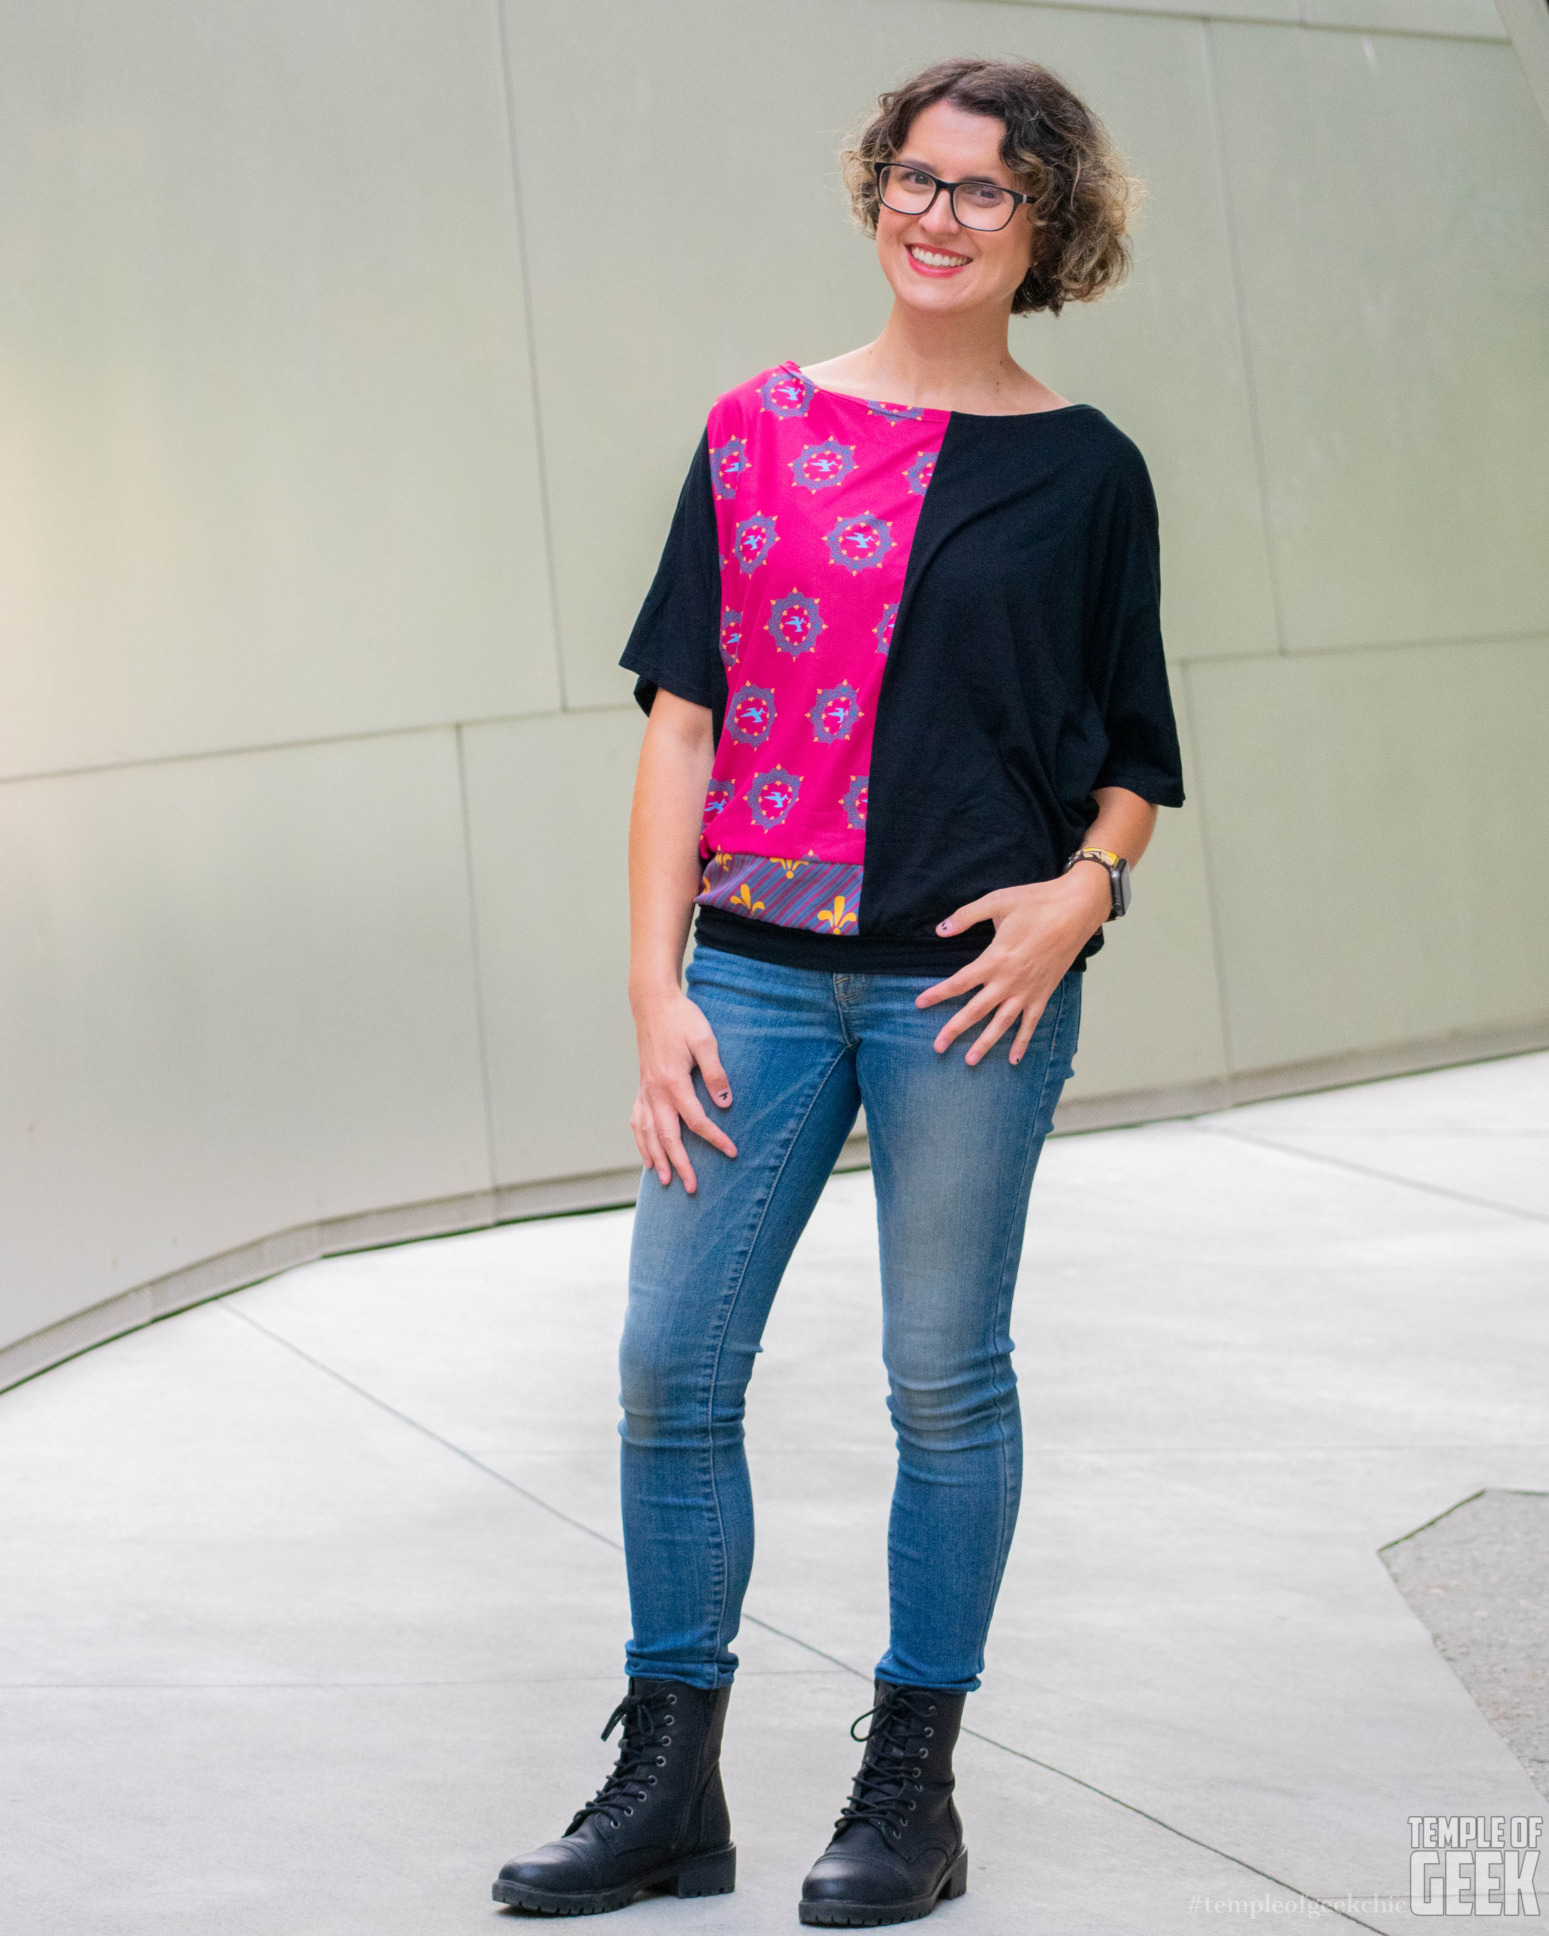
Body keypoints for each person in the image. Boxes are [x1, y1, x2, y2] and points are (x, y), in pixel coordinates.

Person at [494, 54, 1184, 1926]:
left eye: (982, 190)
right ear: (876, 188)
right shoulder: (755, 430)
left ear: (1045, 229)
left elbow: (1133, 747)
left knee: (942, 1383)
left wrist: (1082, 892)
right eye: (915, 175)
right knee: (666, 1369)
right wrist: (657, 993)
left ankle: (911, 1783)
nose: (936, 214)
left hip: (974, 997)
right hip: (757, 982)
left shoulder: (1086, 471)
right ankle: (667, 1781)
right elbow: (681, 726)